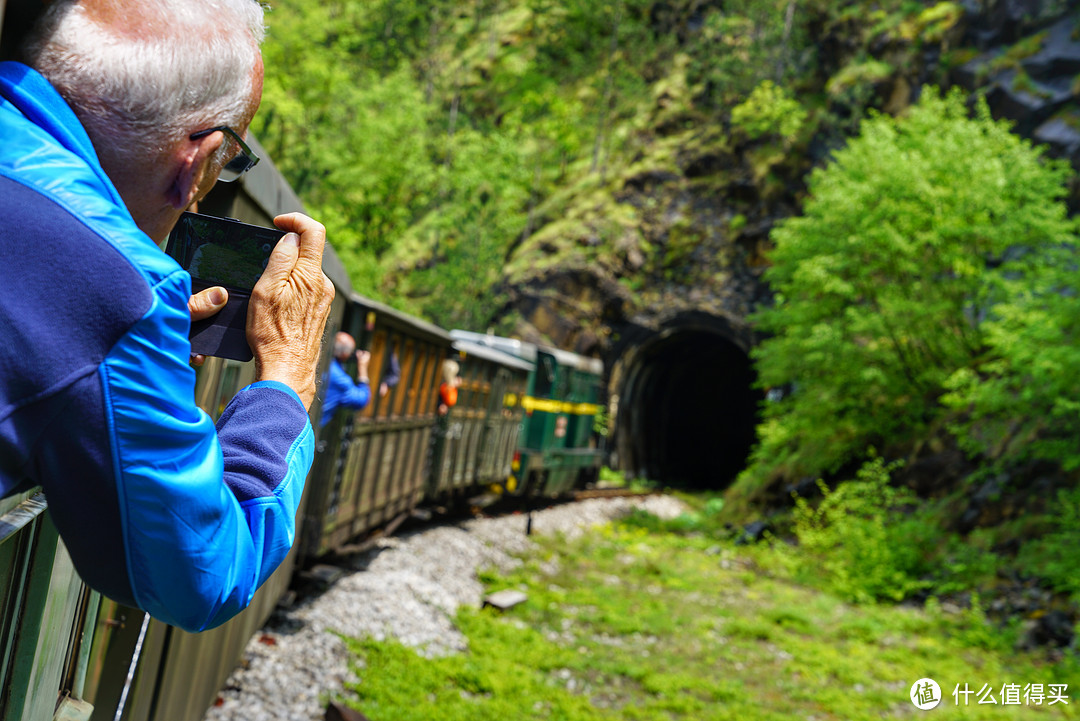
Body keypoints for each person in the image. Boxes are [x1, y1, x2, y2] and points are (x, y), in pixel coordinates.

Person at [0, 0, 335, 633]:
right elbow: (206, 575)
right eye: (228, 160)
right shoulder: (124, 294)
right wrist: (286, 381)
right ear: (195, 162)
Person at [320, 332, 372, 427]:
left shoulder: (318, 360)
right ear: (345, 354)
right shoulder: (340, 379)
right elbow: (361, 399)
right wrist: (363, 367)